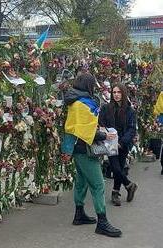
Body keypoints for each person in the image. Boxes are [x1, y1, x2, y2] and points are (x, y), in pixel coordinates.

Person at [61, 73, 122, 238]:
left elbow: (79, 126)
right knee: (98, 185)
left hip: (77, 149)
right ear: (88, 86)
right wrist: (104, 136)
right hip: (85, 149)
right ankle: (102, 222)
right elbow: (84, 130)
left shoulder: (75, 101)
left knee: (82, 182)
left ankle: (79, 214)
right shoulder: (82, 104)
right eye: (93, 84)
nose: (94, 87)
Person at [99, 83, 138, 206]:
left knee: (120, 168)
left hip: (123, 143)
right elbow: (101, 123)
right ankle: (129, 185)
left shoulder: (129, 110)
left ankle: (115, 193)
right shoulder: (106, 108)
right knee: (115, 167)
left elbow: (132, 129)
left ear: (123, 93)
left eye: (119, 92)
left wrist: (122, 142)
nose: (116, 95)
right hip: (110, 142)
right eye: (114, 92)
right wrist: (106, 135)